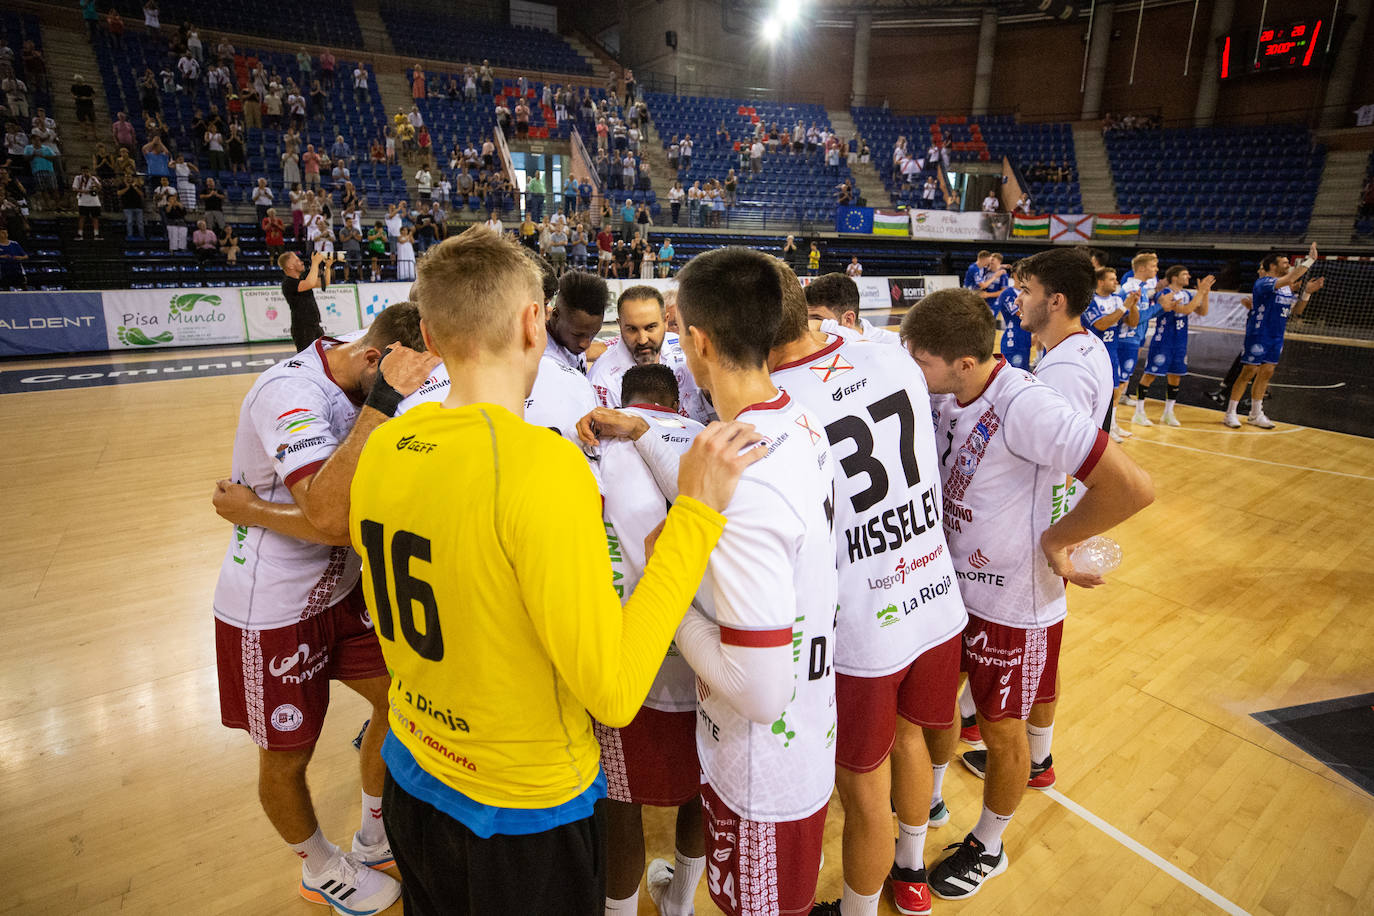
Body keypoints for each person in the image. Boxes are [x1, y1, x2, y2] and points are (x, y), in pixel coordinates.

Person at [347, 229, 761, 915]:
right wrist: (695, 517)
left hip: (411, 779)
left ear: (427, 331)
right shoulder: (543, 468)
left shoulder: (386, 444)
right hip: (520, 812)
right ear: (532, 322)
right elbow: (615, 691)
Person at [579, 247, 839, 916]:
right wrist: (643, 427)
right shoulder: (793, 424)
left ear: (692, 340)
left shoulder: (739, 476)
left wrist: (666, 589)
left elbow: (757, 688)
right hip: (802, 735)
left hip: (760, 765)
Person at [901, 287, 1153, 901]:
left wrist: (1055, 543)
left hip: (1013, 602)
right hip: (951, 588)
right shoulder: (953, 393)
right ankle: (930, 799)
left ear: (964, 362)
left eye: (923, 362)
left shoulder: (1029, 405)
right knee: (935, 709)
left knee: (1000, 728)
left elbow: (1131, 487)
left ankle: (989, 844)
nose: (914, 372)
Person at [208, 305, 436, 916]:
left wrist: (253, 509)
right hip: (273, 607)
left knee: (399, 698)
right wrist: (381, 406)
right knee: (289, 753)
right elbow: (336, 518)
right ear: (373, 362)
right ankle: (317, 865)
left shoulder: (365, 362)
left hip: (343, 589)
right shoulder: (290, 392)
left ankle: (376, 834)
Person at [770, 263, 964, 916]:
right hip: (933, 592)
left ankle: (855, 910)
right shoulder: (888, 355)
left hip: (866, 618)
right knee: (911, 740)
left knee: (862, 786)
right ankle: (910, 874)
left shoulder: (775, 399)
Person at [584, 363, 710, 916]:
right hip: (711, 655)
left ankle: (618, 911)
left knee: (618, 799)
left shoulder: (593, 449)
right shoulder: (708, 443)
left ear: (621, 402)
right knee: (702, 788)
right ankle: (679, 902)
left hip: (630, 650)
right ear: (676, 403)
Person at [1225, 245, 1319, 429]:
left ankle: (1255, 414)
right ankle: (1230, 413)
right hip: (1259, 334)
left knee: (1267, 372)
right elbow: (1292, 277)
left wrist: (1307, 292)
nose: (1288, 265)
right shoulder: (1264, 282)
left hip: (1276, 335)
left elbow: (1296, 311)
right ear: (1273, 266)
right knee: (1248, 372)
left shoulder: (1285, 289)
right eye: (1284, 263)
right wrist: (1310, 260)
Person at [587, 286, 709, 424]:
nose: (642, 339)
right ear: (620, 325)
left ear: (665, 321)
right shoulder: (603, 382)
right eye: (632, 329)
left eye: (650, 327)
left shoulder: (685, 350)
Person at [1131, 266, 1214, 427]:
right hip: (1163, 340)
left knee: (1176, 376)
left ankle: (1168, 413)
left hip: (1180, 341)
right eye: (1184, 274)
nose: (1188, 276)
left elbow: (1203, 311)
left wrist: (1206, 293)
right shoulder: (1165, 294)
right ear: (1174, 277)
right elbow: (1186, 309)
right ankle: (1139, 412)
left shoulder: (1187, 294)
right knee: (1150, 375)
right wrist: (1200, 292)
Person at [1082, 266, 1139, 441]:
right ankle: (1095, 429)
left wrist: (1133, 306)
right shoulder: (1089, 300)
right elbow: (1101, 324)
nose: (1116, 282)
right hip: (1092, 353)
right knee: (1095, 394)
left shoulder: (1116, 300)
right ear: (1100, 282)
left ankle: (1111, 425)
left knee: (1114, 391)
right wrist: (1124, 307)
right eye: (1112, 279)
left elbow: (1133, 323)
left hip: (1111, 351)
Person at [1115, 252, 1160, 412]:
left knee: (1122, 383)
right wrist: (1160, 306)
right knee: (1118, 385)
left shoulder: (1141, 288)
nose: (1156, 269)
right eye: (1153, 266)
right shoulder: (1131, 289)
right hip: (1125, 339)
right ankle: (1110, 425)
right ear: (1141, 268)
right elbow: (1133, 320)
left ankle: (1112, 423)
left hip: (1134, 339)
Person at [805, 273, 899, 346]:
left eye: (817, 319)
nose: (810, 324)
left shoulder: (894, 344)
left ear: (848, 320)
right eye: (806, 318)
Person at [546, 269, 609, 373]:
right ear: (556, 315)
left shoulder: (570, 343)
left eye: (593, 335)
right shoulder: (543, 360)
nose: (585, 344)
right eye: (577, 335)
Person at [280, 250, 330, 350]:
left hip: (314, 325)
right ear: (290, 266)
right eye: (297, 260)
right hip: (302, 328)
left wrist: (328, 267)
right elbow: (310, 283)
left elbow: (325, 283)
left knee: (326, 354)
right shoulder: (288, 283)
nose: (302, 262)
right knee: (307, 360)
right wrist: (315, 262)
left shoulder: (302, 279)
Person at [72, 166, 103, 240]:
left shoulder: (93, 178)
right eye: (84, 171)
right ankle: (80, 234)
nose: (85, 173)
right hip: (83, 201)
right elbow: (74, 188)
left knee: (95, 217)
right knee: (82, 217)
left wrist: (93, 179)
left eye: (87, 171)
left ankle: (96, 234)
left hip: (94, 201)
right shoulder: (78, 178)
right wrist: (84, 191)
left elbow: (99, 187)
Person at [118, 175, 145, 240]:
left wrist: (135, 188)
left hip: (138, 207)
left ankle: (142, 235)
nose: (128, 178)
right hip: (127, 207)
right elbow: (119, 193)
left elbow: (142, 194)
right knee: (129, 222)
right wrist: (127, 187)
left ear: (132, 178)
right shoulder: (122, 185)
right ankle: (130, 236)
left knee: (140, 222)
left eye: (130, 177)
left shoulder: (138, 185)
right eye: (127, 177)